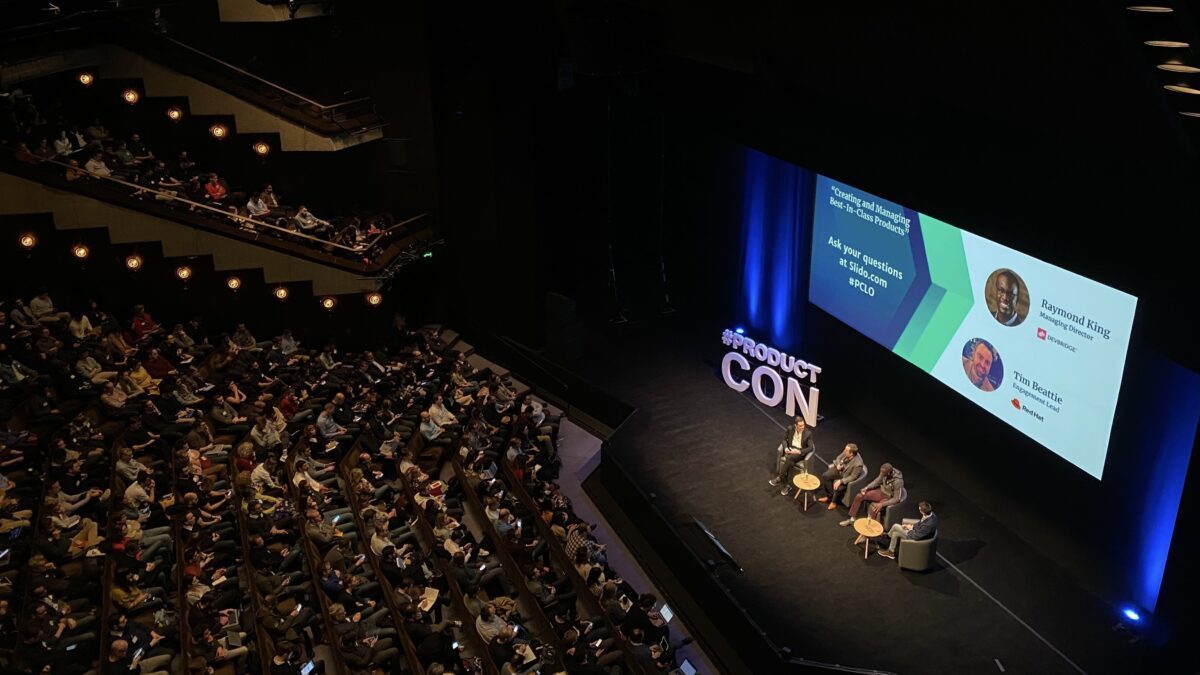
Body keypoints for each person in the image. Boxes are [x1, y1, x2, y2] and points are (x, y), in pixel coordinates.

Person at [840, 463, 905, 526]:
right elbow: (877, 481)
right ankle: (852, 519)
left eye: (883, 473)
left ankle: (869, 529)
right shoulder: (884, 472)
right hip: (881, 491)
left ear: (888, 473)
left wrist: (882, 504)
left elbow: (897, 498)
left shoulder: (898, 481)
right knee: (859, 496)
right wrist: (867, 487)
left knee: (874, 507)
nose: (881, 474)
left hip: (889, 497)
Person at [768, 416, 814, 496]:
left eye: (803, 425)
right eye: (800, 426)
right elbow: (784, 440)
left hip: (799, 452)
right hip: (790, 449)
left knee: (789, 458)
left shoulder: (808, 433)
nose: (802, 427)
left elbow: (810, 448)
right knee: (791, 462)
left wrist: (799, 451)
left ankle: (780, 477)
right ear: (795, 425)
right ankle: (788, 486)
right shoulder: (790, 429)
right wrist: (786, 448)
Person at [817, 443, 865, 510]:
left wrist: (841, 481)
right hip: (840, 471)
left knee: (838, 488)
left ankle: (833, 502)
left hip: (846, 477)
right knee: (825, 476)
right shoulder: (846, 452)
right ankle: (829, 497)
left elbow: (853, 477)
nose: (844, 451)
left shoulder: (858, 464)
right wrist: (838, 465)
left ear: (851, 454)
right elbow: (838, 458)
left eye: (846, 450)